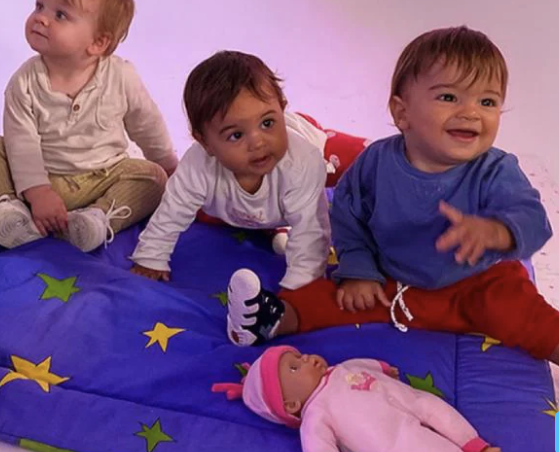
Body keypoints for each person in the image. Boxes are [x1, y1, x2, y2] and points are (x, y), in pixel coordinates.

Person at [225, 26, 558, 365]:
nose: (471, 112)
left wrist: (497, 231)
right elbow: (347, 215)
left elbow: (533, 219)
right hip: (392, 282)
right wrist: (359, 270)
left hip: (476, 283)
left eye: (487, 102)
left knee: (526, 314)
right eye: (449, 97)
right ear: (402, 113)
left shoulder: (496, 170)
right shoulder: (376, 163)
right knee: (332, 297)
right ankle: (267, 318)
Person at [0, 0, 178, 253]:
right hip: (37, 176)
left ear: (98, 43)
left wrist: (167, 163)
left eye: (60, 14)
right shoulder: (25, 81)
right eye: (39, 6)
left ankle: (96, 219)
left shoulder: (121, 76)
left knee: (153, 177)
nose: (41, 18)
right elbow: (21, 142)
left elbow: (146, 123)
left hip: (102, 177)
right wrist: (38, 191)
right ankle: (10, 211)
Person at [130, 51, 366, 289]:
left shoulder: (302, 161)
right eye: (236, 135)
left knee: (363, 162)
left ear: (282, 108)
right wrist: (151, 257)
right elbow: (172, 211)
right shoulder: (198, 167)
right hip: (257, 204)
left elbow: (310, 233)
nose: (258, 143)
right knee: (200, 209)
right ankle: (274, 225)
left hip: (312, 140)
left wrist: (299, 289)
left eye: (267, 123)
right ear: (205, 143)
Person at [213, 346, 502, 452]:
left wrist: (382, 368)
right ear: (291, 404)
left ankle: (474, 444)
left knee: (434, 407)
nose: (306, 359)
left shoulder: (338, 369)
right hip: (389, 434)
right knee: (415, 450)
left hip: (405, 397)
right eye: (295, 368)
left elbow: (361, 364)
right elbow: (317, 448)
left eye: (298, 356)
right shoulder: (315, 415)